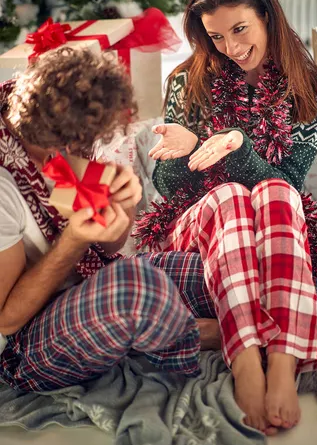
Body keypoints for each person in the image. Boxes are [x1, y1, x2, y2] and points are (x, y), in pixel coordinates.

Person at [135, 0, 317, 435]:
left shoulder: (313, 89)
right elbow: (169, 187)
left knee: (273, 190)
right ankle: (246, 365)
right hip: (196, 233)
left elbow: (290, 183)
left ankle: (279, 362)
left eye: (239, 29)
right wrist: (193, 146)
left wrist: (239, 146)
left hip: (271, 230)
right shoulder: (186, 81)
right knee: (232, 196)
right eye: (216, 37)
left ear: (267, 16)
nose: (231, 48)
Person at [0, 47, 218, 394]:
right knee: (134, 281)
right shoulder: (5, 186)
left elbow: (108, 244)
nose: (80, 156)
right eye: (80, 143)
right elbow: (7, 320)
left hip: (87, 291)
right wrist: (74, 239)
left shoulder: (62, 137)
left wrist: (124, 202)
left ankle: (309, 314)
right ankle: (208, 334)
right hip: (23, 349)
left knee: (214, 268)